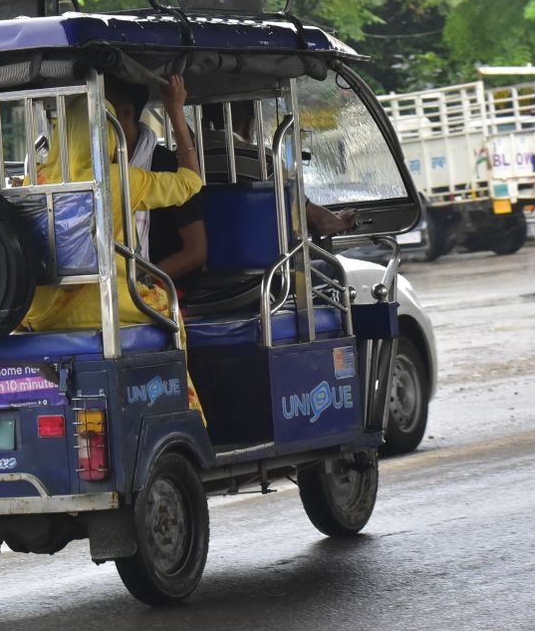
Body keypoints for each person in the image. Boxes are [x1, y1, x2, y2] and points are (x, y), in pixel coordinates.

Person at [20, 73, 205, 420]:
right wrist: (175, 112)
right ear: (106, 128)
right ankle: (185, 412)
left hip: (41, 314)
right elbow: (192, 182)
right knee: (171, 313)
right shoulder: (120, 179)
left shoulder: (37, 180)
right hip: (112, 306)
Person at [103, 76, 207, 296]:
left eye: (100, 110)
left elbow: (196, 251)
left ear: (126, 113)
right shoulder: (96, 167)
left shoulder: (163, 166)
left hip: (162, 290)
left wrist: (141, 282)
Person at [202, 99, 358, 239]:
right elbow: (312, 221)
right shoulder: (263, 159)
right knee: (329, 270)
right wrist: (342, 221)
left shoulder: (181, 161)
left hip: (196, 264)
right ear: (250, 126)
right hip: (262, 262)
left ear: (203, 123)